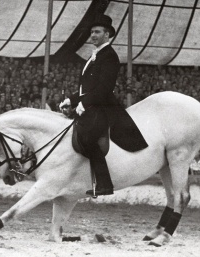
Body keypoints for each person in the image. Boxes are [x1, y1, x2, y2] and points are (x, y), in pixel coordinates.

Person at [59, 15, 147, 196]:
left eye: (97, 32)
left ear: (107, 35)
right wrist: (71, 100)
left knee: (88, 139)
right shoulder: (94, 56)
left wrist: (84, 103)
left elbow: (104, 88)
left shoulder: (109, 56)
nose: (93, 35)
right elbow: (87, 88)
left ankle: (104, 184)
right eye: (92, 32)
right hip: (92, 104)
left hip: (103, 107)